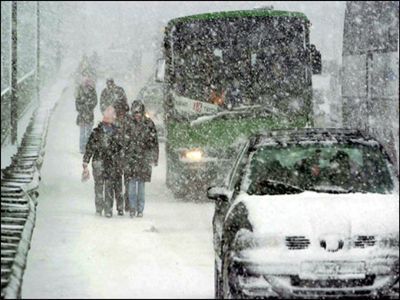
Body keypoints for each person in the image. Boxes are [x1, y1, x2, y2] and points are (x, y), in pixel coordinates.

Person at [82, 106, 123, 218]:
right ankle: (101, 208)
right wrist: (85, 161)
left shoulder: (105, 133)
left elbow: (120, 149)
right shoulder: (99, 133)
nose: (108, 124)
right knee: (101, 186)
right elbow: (90, 148)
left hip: (106, 162)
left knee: (106, 186)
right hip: (102, 162)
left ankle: (106, 208)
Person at [100, 78, 130, 211]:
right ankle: (119, 206)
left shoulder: (120, 127)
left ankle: (118, 206)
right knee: (117, 183)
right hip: (115, 160)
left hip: (117, 160)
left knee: (117, 183)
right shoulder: (111, 128)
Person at [124, 100, 159, 218]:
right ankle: (133, 208)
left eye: (139, 112)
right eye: (135, 112)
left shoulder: (149, 124)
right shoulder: (128, 123)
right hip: (131, 159)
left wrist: (154, 157)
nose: (137, 114)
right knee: (132, 185)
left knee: (141, 186)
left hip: (143, 159)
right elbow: (123, 142)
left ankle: (140, 209)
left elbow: (154, 143)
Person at [75, 77, 97, 154]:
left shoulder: (92, 91)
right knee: (82, 133)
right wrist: (83, 108)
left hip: (88, 115)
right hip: (82, 116)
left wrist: (87, 107)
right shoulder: (80, 91)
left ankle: (87, 148)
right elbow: (77, 103)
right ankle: (82, 148)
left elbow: (95, 102)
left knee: (88, 133)